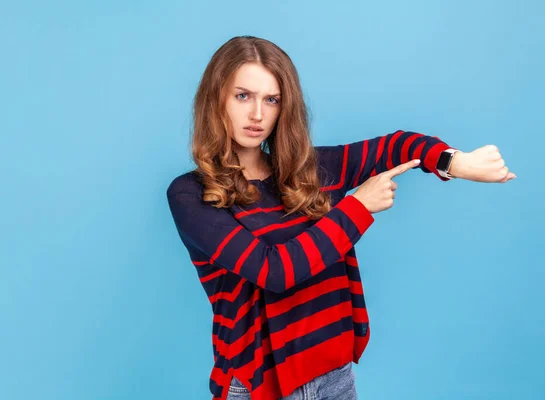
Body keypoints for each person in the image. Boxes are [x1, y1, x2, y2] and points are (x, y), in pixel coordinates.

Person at [166, 35, 516, 400]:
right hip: (259, 386)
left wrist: (456, 162)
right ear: (215, 99)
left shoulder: (310, 170)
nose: (258, 114)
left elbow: (395, 146)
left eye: (272, 100)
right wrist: (358, 207)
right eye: (243, 96)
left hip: (334, 376)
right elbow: (274, 272)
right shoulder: (191, 194)